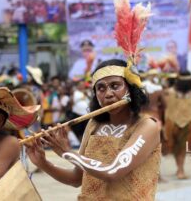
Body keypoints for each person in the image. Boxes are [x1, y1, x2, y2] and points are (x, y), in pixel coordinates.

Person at [26, 59, 161, 200]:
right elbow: (76, 179)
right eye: (101, 88)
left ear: (131, 88)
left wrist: (67, 153)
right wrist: (43, 163)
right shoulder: (94, 124)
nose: (108, 94)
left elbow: (113, 171)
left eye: (115, 86)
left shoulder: (147, 126)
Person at [164, 71, 191, 179]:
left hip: (174, 123)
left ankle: (180, 170)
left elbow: (165, 106)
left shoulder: (169, 92)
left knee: (178, 148)